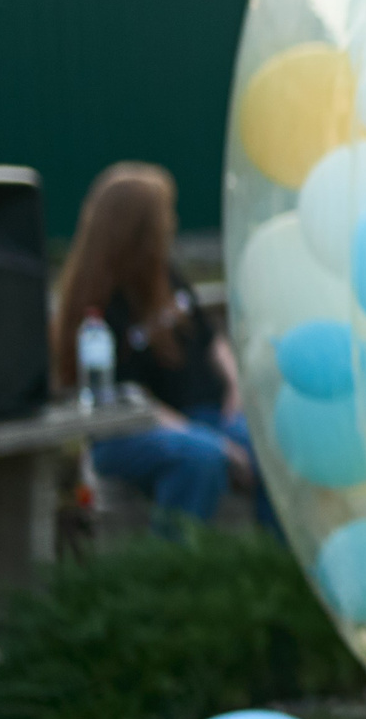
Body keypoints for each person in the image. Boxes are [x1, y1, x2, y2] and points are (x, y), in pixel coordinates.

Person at [53, 163, 261, 531]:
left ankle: (276, 564)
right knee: (201, 458)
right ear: (136, 230)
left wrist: (234, 388)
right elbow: (118, 397)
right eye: (163, 216)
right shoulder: (97, 309)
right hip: (133, 431)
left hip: (208, 414)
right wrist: (200, 436)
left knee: (269, 451)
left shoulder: (166, 277)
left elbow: (211, 339)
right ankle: (174, 567)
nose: (172, 224)